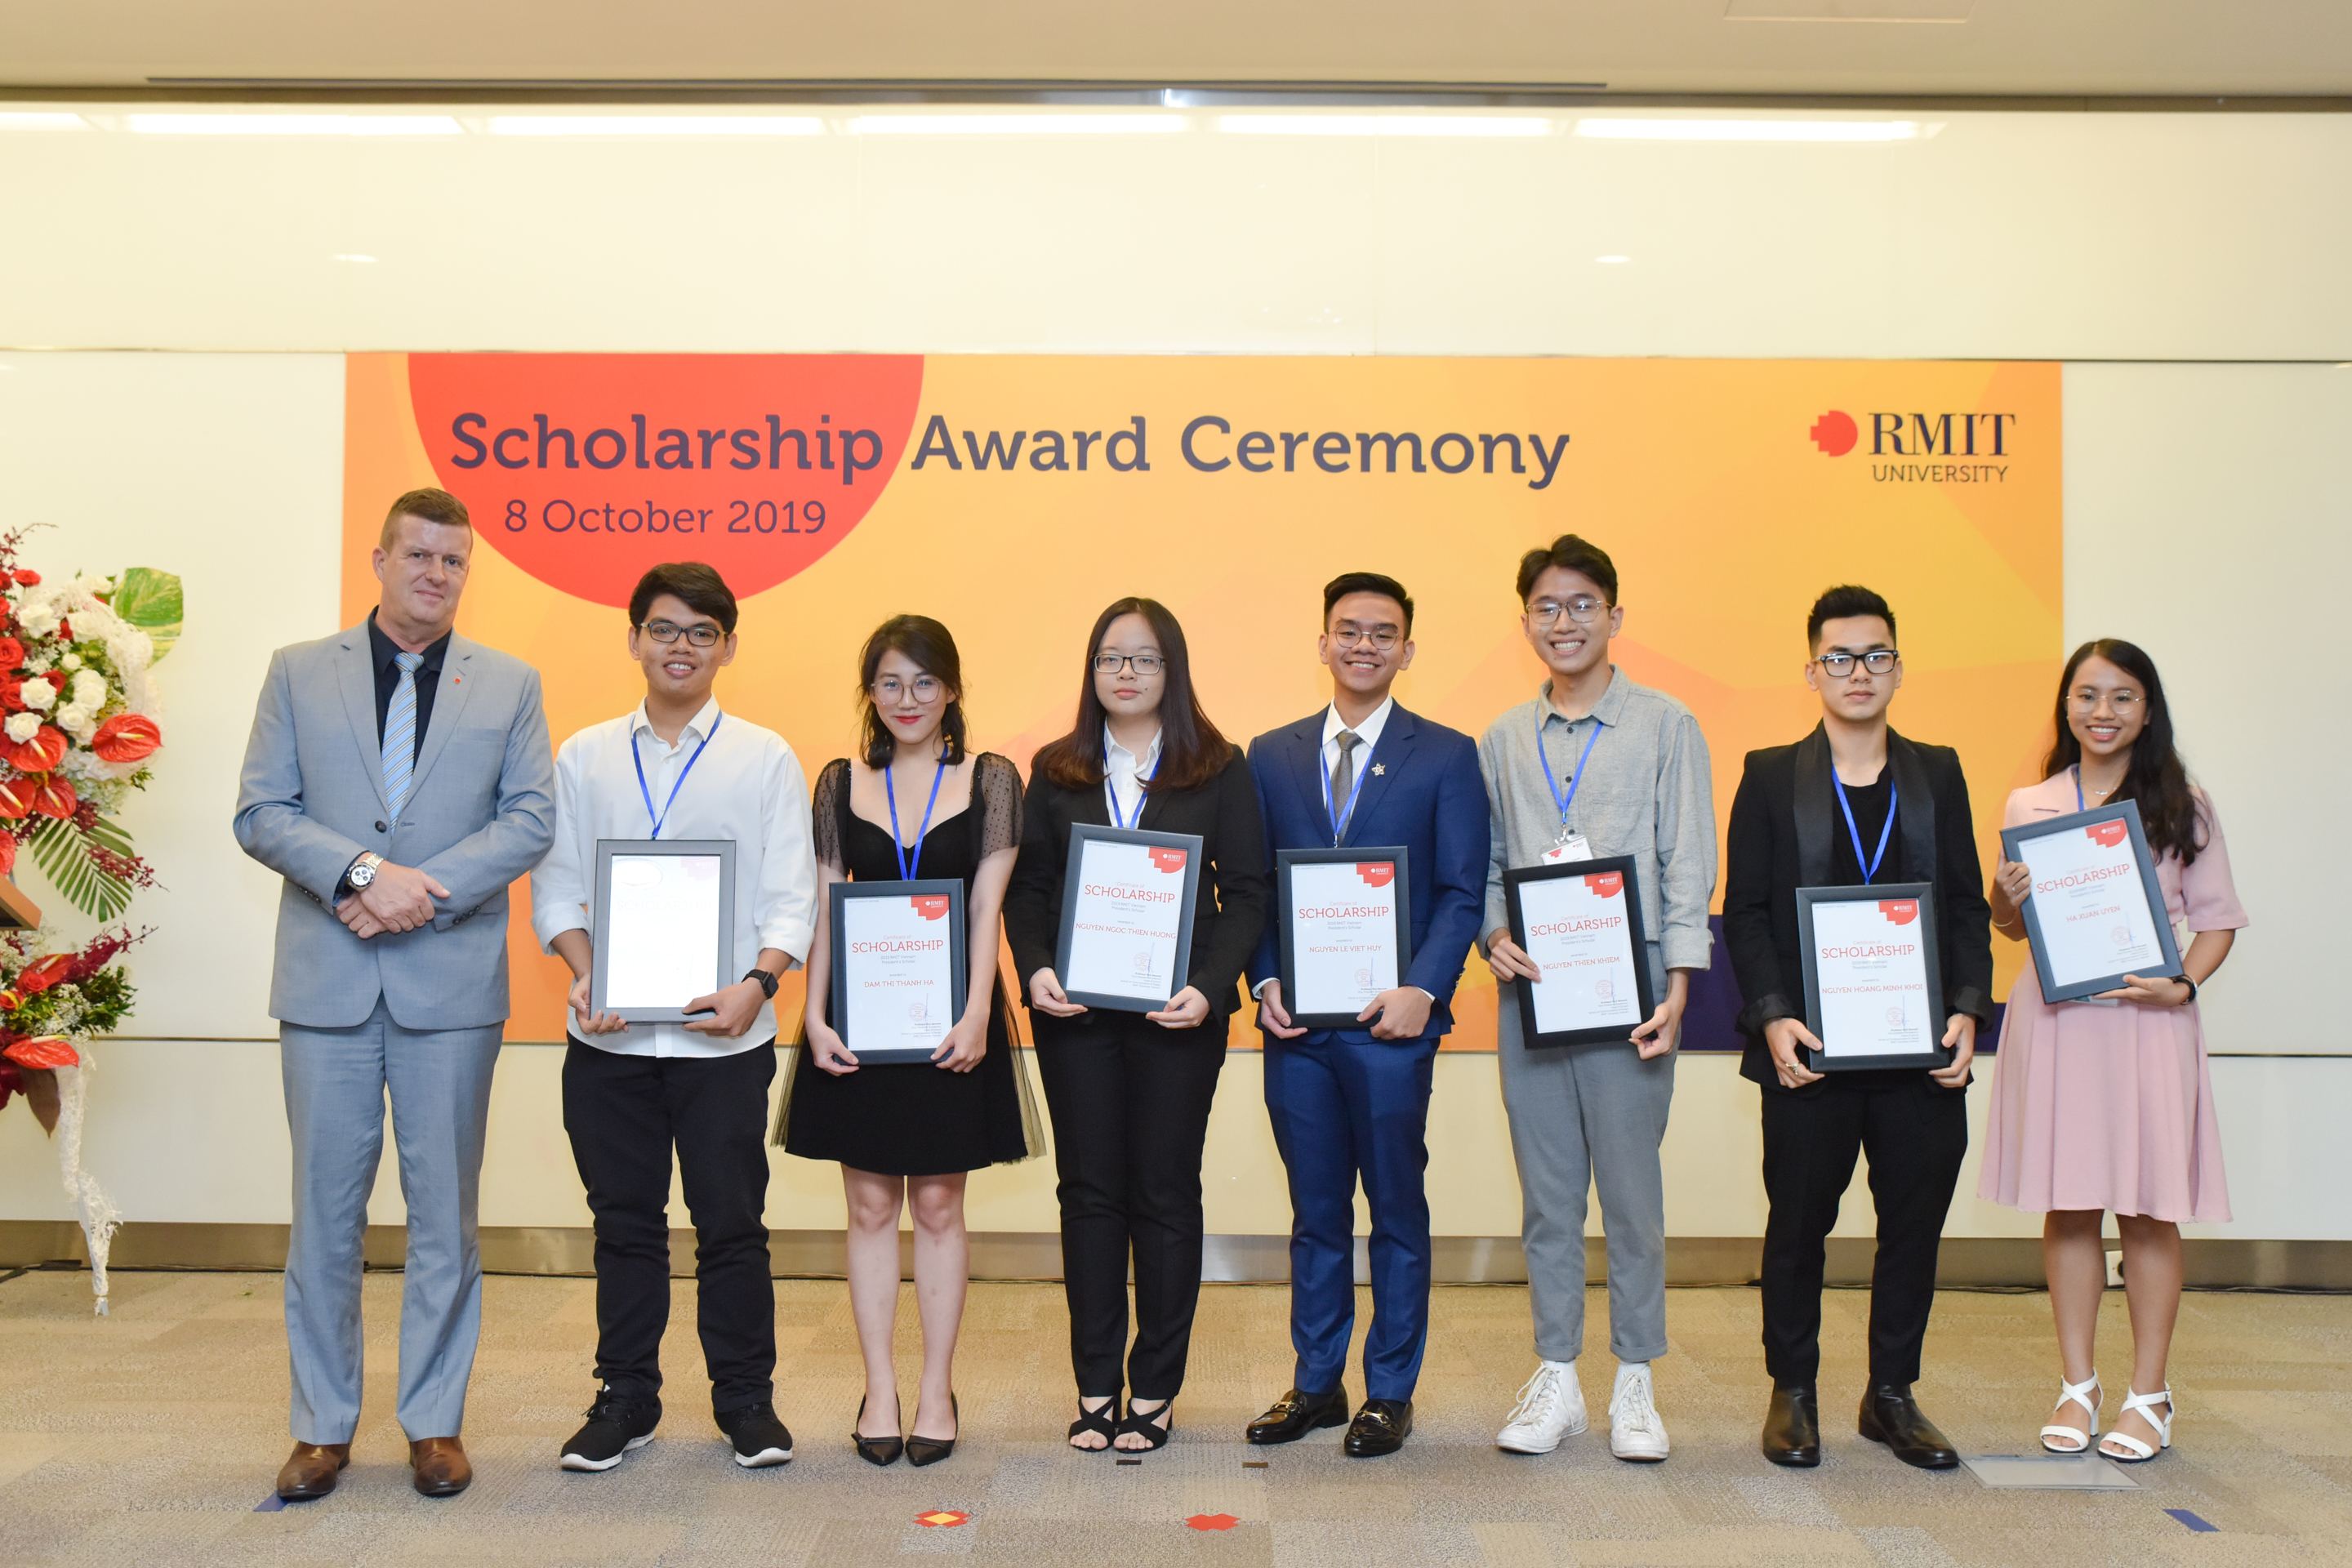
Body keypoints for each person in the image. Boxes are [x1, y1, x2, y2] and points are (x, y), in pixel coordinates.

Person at [233, 487, 554, 1502]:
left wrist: (421, 892)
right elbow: (261, 811)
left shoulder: (509, 683)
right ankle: (322, 1428)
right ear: (379, 559)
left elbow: (530, 819)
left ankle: (434, 1424)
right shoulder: (297, 673)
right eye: (418, 555)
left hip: (450, 989)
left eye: (454, 562)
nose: (436, 574)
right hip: (326, 985)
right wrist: (365, 875)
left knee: (445, 1218)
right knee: (322, 1216)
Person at [528, 563, 817, 1473]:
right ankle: (627, 1398)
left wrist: (759, 986)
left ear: (729, 645)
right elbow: (558, 886)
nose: (680, 646)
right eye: (663, 629)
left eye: (700, 631)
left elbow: (790, 896)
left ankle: (745, 1402)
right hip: (608, 1037)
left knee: (731, 1222)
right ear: (633, 639)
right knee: (624, 1222)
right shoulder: (584, 756)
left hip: (723, 1038)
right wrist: (585, 971)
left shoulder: (764, 756)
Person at [1722, 586, 1993, 1470]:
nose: (1858, 672)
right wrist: (1772, 1018)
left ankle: (1891, 1395)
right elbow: (1750, 912)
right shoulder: (1769, 774)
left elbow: (1961, 904)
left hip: (1916, 1052)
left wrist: (1966, 1009)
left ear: (1898, 667)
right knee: (1798, 1223)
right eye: (1838, 657)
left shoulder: (1938, 772)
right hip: (1809, 1052)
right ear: (1812, 671)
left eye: (1876, 655)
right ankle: (1792, 1393)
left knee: (1912, 1224)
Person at [1003, 596, 1271, 1454]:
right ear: (1091, 673)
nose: (1125, 673)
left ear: (1172, 671)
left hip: (1177, 1017)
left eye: (1143, 660)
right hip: (1075, 1016)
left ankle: (1153, 1386)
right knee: (1088, 1194)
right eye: (1110, 659)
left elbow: (1249, 893)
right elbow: (1028, 890)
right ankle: (1093, 1385)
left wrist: (1207, 984)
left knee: (1162, 1192)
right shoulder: (1056, 771)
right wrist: (1037, 968)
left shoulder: (1218, 768)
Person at [1477, 533, 1715, 1463]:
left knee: (1629, 1194)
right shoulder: (1502, 738)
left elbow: (1686, 858)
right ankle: (1558, 1380)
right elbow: (1489, 862)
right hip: (1532, 994)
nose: (1565, 621)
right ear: (1526, 620)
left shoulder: (1665, 725)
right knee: (1546, 1199)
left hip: (1634, 992)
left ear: (1616, 616)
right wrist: (1493, 934)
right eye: (1547, 606)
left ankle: (1637, 1382)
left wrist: (1682, 985)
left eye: (1582, 604)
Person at [1240, 572, 1488, 1459]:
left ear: (1407, 651)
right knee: (1313, 1213)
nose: (1365, 646)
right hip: (1298, 1032)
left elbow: (1462, 890)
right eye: (1348, 630)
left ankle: (1390, 1391)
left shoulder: (1448, 755)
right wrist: (1266, 984)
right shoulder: (1268, 755)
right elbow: (1254, 888)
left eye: (1384, 634)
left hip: (1393, 1030)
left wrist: (1423, 987)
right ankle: (1316, 1384)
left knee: (1394, 1209)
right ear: (1322, 642)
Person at [1981, 639, 2245, 1463]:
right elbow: (2008, 925)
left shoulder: (2182, 804)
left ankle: (2149, 1394)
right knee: (2069, 1201)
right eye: (2087, 695)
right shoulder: (2029, 804)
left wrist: (2184, 987)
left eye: (2122, 697)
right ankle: (2077, 1385)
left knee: (2147, 1205)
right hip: (2058, 1023)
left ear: (2148, 710)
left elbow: (2218, 918)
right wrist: (2004, 897)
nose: (2102, 712)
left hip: (2145, 1023)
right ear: (2065, 706)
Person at [782, 614, 1036, 1468]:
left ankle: (935, 1389)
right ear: (870, 694)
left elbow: (984, 909)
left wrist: (977, 1014)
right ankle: (880, 1389)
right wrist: (812, 1017)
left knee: (935, 1205)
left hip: (950, 1016)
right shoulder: (837, 782)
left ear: (952, 689)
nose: (908, 700)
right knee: (867, 1206)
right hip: (859, 1016)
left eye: (924, 683)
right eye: (889, 683)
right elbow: (826, 907)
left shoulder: (992, 778)